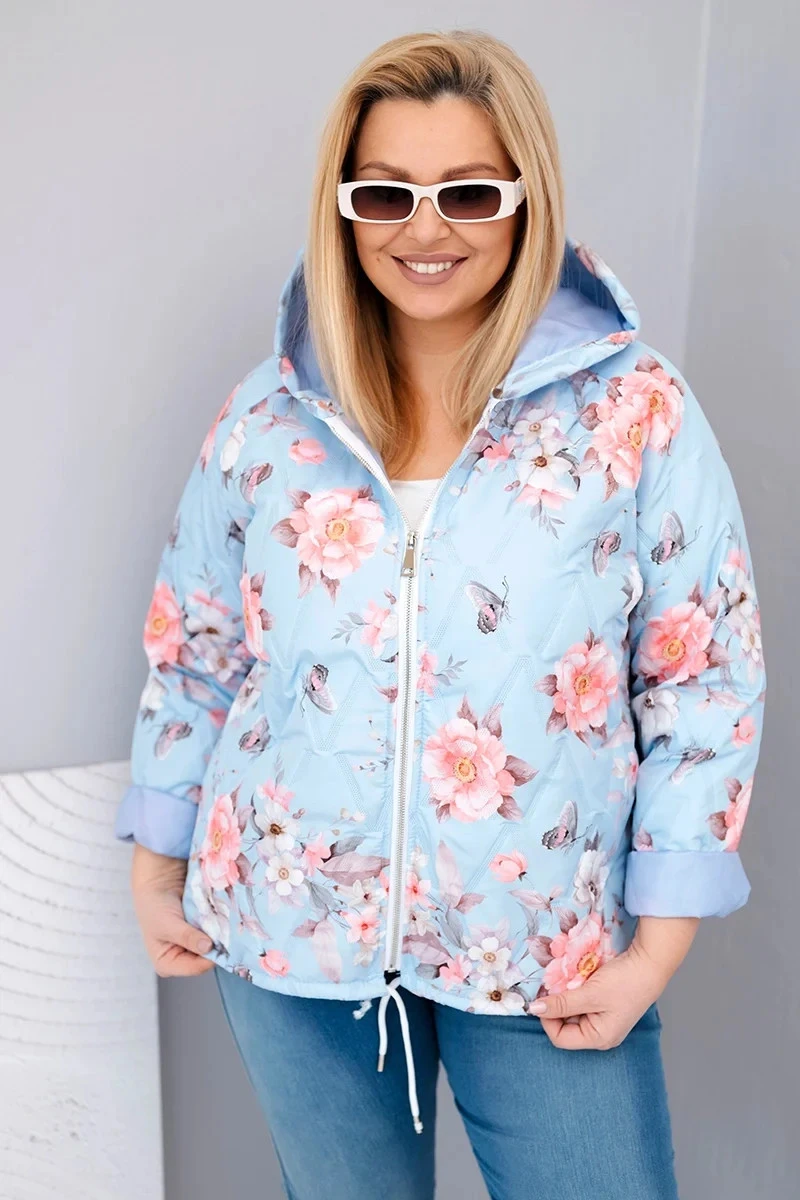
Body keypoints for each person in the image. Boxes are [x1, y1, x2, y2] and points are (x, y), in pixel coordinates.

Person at [115, 27, 766, 1200]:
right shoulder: (267, 420)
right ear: (343, 208)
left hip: (547, 946)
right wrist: (157, 865)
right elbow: (197, 648)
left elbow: (700, 674)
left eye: (467, 192)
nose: (424, 229)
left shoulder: (632, 412)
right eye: (385, 193)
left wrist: (656, 947)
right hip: (293, 938)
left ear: (524, 200)